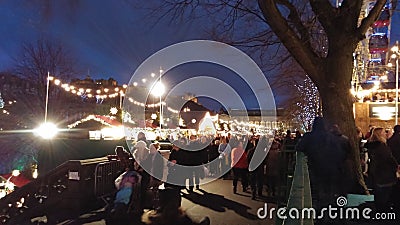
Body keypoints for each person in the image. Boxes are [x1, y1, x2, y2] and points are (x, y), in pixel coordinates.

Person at [296, 117, 347, 211]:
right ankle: (328, 209)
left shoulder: (309, 136)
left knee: (316, 189)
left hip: (314, 166)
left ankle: (318, 210)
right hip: (331, 168)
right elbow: (339, 152)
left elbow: (299, 147)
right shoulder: (331, 137)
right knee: (329, 189)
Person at [364, 127, 398, 212]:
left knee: (378, 194)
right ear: (380, 135)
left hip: (376, 173)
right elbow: (389, 159)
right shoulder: (381, 147)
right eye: (384, 132)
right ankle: (383, 212)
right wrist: (395, 166)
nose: (385, 134)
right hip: (385, 174)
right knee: (385, 195)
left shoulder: (372, 146)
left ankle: (379, 209)